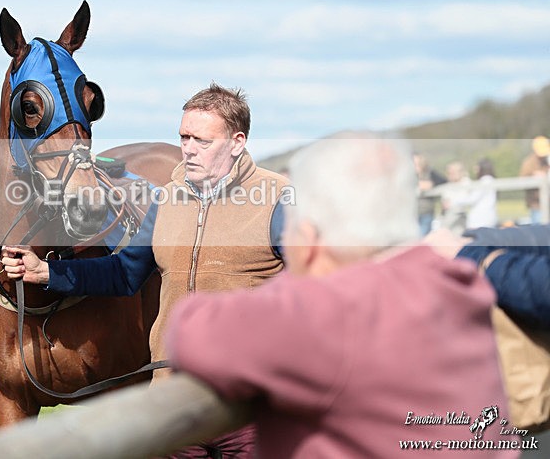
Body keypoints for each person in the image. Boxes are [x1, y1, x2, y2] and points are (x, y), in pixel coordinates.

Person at [164, 133, 516, 459]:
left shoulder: (334, 311)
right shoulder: (458, 282)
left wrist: (299, 278)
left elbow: (190, 330)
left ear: (309, 235)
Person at [2, 83, 289, 458]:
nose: (187, 148)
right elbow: (125, 273)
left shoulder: (276, 199)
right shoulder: (166, 200)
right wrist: (48, 273)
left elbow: (318, 290)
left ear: (237, 142)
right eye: (183, 136)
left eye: (201, 140)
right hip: (173, 400)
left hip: (251, 405)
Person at [413, 152, 446, 235]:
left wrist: (431, 184)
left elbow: (443, 182)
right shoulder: (407, 174)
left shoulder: (430, 173)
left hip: (426, 212)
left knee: (422, 238)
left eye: (417, 163)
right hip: (411, 214)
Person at [519, 136, 550, 225]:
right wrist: (534, 176)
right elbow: (522, 180)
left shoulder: (546, 162)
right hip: (536, 204)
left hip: (547, 203)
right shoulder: (529, 163)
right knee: (538, 230)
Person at [462, 158, 498, 230]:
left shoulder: (485, 181)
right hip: (486, 219)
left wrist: (455, 201)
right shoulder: (489, 180)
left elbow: (472, 199)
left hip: (480, 220)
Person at [440, 160, 470, 235]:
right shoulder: (448, 185)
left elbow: (465, 201)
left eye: (453, 172)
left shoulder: (467, 184)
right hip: (448, 217)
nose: (451, 175)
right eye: (449, 173)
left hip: (462, 218)